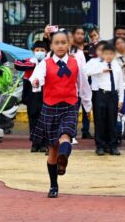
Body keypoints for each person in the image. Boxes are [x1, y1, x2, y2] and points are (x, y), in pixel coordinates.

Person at [30, 31, 93, 198]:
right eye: (56, 42)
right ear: (51, 45)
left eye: (63, 42)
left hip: (70, 105)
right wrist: (36, 82)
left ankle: (64, 157)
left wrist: (87, 105)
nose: (60, 45)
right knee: (53, 150)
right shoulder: (45, 63)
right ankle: (53, 185)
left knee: (66, 135)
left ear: (68, 45)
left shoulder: (76, 62)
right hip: (50, 107)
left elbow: (83, 84)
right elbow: (37, 77)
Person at [85, 43, 124, 156]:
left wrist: (121, 99)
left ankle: (112, 145)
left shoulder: (116, 66)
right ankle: (100, 145)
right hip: (101, 94)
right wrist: (101, 70)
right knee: (100, 120)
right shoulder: (97, 64)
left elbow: (120, 84)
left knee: (112, 121)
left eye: (111, 53)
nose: (108, 55)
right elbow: (86, 72)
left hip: (113, 95)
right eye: (106, 53)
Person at [14, 41, 48, 152]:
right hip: (31, 94)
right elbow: (17, 64)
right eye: (37, 50)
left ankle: (43, 143)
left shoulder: (48, 62)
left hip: (44, 92)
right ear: (33, 51)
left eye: (42, 50)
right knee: (33, 117)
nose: (40, 52)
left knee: (43, 118)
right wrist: (34, 64)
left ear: (46, 52)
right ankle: (35, 142)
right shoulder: (30, 62)